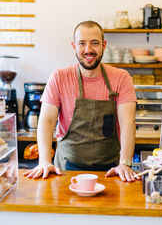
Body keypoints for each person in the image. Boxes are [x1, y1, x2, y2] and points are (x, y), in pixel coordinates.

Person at [23, 21, 137, 182]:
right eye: (82, 43)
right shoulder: (59, 77)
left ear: (104, 45)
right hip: (66, 170)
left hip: (111, 171)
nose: (88, 50)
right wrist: (44, 161)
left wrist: (125, 163)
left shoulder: (121, 77)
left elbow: (128, 123)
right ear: (74, 46)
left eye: (95, 43)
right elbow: (47, 121)